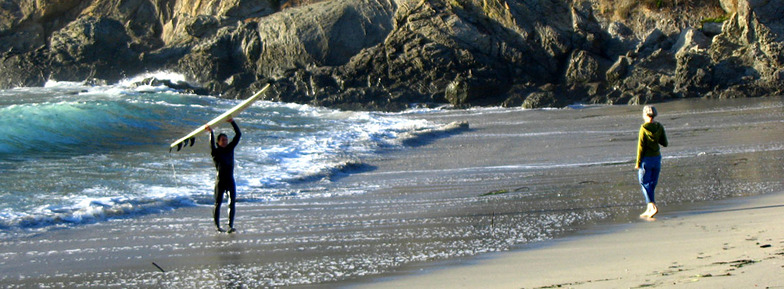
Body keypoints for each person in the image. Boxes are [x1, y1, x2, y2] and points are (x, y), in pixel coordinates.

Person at [206, 118, 241, 233]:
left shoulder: (230, 149)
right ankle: (217, 226)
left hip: (230, 180)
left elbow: (238, 135)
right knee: (218, 203)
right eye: (222, 140)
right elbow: (211, 145)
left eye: (226, 140)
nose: (225, 141)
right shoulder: (215, 153)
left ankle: (230, 225)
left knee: (232, 202)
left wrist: (232, 122)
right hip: (220, 181)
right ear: (218, 142)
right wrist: (210, 132)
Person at [635, 105, 668, 219]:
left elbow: (640, 147)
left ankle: (652, 206)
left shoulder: (643, 128)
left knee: (644, 183)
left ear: (645, 115)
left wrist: (638, 163)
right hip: (657, 158)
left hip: (646, 160)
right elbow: (665, 143)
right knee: (652, 184)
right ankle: (649, 208)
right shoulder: (659, 126)